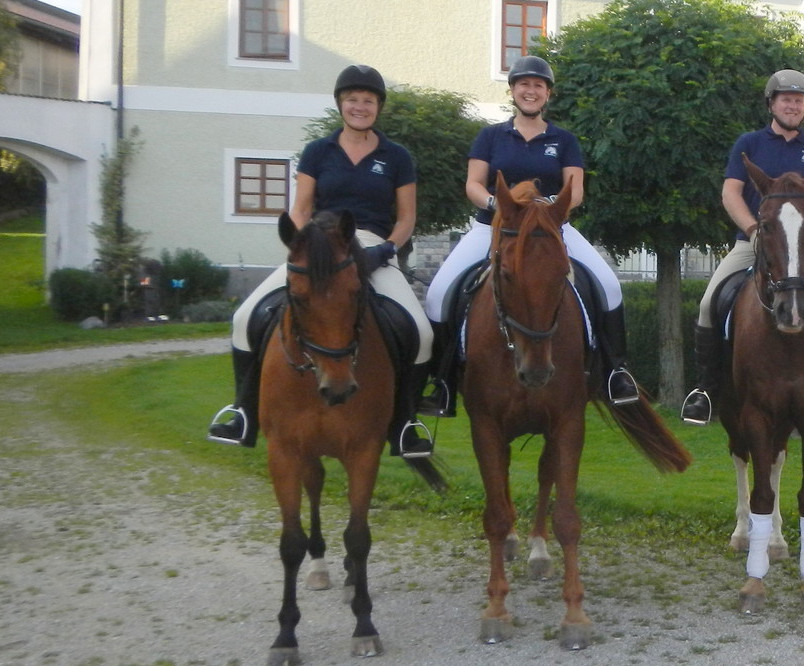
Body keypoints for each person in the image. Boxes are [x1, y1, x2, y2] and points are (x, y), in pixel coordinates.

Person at [207, 65, 435, 458]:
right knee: (246, 316)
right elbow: (301, 208)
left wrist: (387, 249)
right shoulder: (318, 151)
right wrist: (300, 244)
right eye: (352, 100)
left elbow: (406, 217)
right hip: (319, 245)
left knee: (421, 331)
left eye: (368, 100)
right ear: (340, 104)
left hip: (373, 244)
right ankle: (243, 411)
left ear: (378, 106)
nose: (360, 107)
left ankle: (405, 423)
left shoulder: (396, 156)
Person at [419, 55, 638, 416]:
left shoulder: (563, 140)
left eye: (538, 85)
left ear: (547, 94)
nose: (530, 91)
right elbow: (473, 183)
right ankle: (442, 381)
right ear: (513, 91)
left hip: (551, 229)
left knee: (609, 285)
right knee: (439, 293)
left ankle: (616, 371)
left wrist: (547, 207)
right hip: (494, 226)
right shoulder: (491, 136)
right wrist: (497, 203)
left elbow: (576, 189)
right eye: (524, 84)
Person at [678, 68, 804, 430]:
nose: (793, 105)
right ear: (772, 104)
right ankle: (706, 390)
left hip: (802, 246)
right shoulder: (749, 144)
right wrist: (753, 229)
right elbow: (731, 193)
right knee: (709, 303)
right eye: (786, 99)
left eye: (800, 100)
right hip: (753, 243)